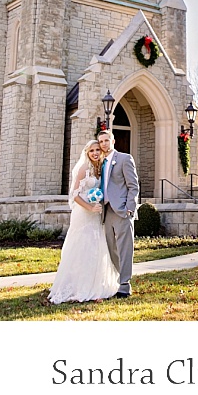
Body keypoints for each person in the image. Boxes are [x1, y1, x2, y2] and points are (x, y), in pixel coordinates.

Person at [48, 140, 121, 303]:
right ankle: (77, 286)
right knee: (82, 246)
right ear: (87, 153)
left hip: (96, 213)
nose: (95, 153)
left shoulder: (100, 169)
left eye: (97, 150)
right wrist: (89, 207)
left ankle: (96, 284)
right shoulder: (83, 168)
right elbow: (74, 195)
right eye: (91, 150)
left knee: (97, 246)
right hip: (83, 213)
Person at [97, 129, 140, 299]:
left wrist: (130, 208)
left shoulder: (124, 158)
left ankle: (124, 285)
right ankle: (117, 279)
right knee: (111, 249)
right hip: (106, 211)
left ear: (113, 141)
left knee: (124, 249)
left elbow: (133, 186)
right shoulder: (99, 163)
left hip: (122, 211)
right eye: (101, 142)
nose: (104, 144)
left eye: (106, 140)